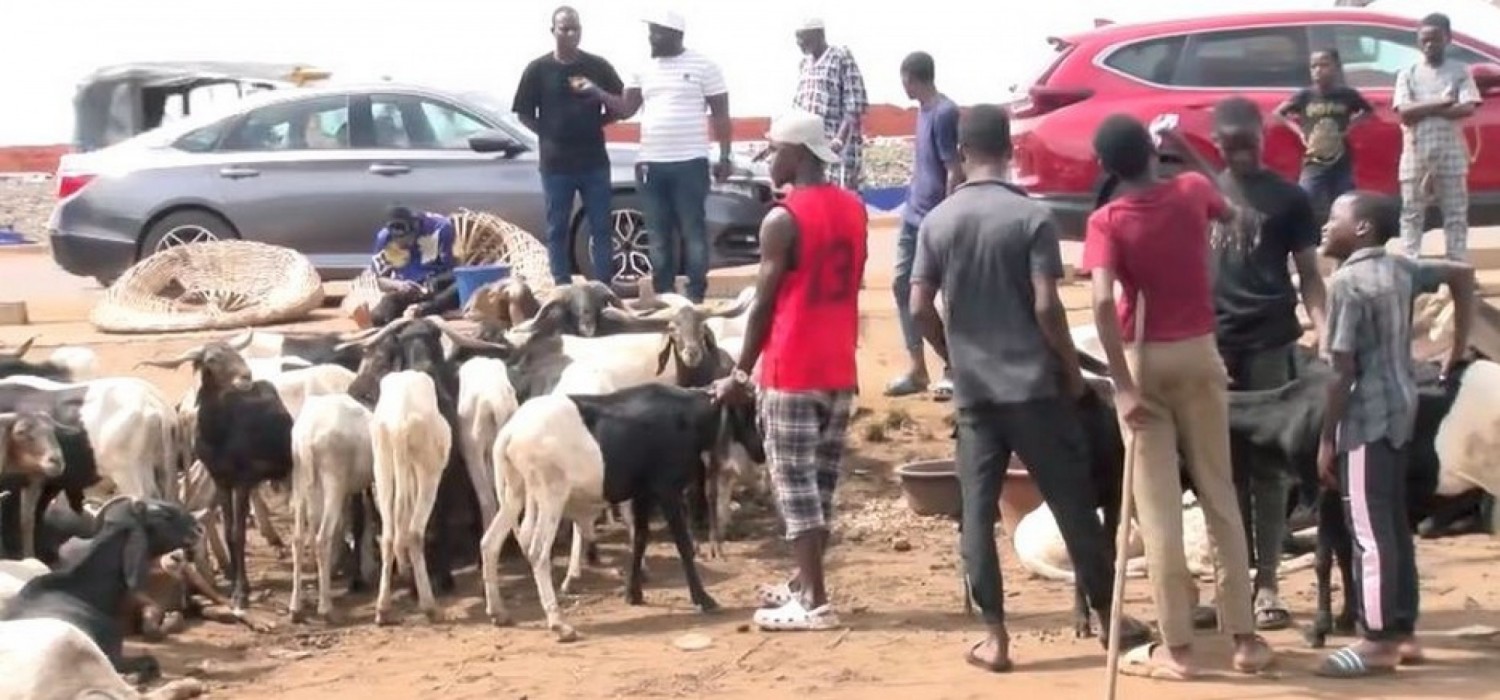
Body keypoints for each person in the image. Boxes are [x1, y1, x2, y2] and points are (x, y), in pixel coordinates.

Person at [908, 104, 1152, 672]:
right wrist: (1070, 372)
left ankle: (995, 638)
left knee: (976, 512)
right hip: (1035, 390)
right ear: (1010, 152)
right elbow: (1046, 305)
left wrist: (953, 357)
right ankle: (1109, 619)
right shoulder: (1031, 218)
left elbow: (920, 307)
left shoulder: (938, 222)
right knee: (1071, 504)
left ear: (962, 154)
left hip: (976, 396)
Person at [1082, 114, 1274, 680]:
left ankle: (1181, 650)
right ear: (1152, 151)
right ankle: (1245, 639)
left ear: (1105, 167)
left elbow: (1097, 303)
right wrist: (1184, 147)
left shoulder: (1106, 219)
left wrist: (1120, 387)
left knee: (1159, 510)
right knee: (1219, 494)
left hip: (1143, 361)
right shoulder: (1192, 190)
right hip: (1198, 353)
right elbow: (1233, 210)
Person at [1177, 97, 1328, 632]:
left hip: (1269, 342)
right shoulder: (1196, 193)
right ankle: (1232, 583)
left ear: (1264, 140)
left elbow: (1309, 273)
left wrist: (1324, 328)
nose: (1241, 154)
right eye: (1230, 145)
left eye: (1250, 144)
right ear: (1216, 143)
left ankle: (1266, 584)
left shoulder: (1289, 199)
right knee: (1219, 470)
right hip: (1210, 345)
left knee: (1269, 470)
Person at [714, 109, 867, 632]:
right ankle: (804, 584)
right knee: (820, 484)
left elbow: (763, 303)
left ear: (797, 154)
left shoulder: (783, 219)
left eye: (774, 150)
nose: (769, 160)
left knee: (794, 485)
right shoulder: (855, 208)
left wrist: (738, 373)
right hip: (839, 365)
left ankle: (815, 602)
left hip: (792, 367)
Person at [1314, 190, 1475, 678]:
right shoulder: (1399, 268)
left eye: (1334, 217)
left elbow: (1342, 372)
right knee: (1392, 525)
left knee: (1367, 531)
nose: (1325, 225)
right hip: (1402, 408)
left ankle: (1378, 640)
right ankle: (1403, 632)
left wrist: (1326, 437)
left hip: (1364, 416)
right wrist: (1458, 346)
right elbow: (1462, 275)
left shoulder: (1346, 283)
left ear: (1361, 228)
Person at [590, 9, 733, 303]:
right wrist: (597, 92)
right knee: (658, 235)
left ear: (675, 35)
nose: (650, 37)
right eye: (650, 31)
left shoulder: (705, 66)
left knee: (692, 231)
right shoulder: (641, 68)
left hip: (690, 162)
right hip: (651, 164)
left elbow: (721, 115)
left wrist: (725, 155)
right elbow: (627, 109)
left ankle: (694, 296)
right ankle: (665, 296)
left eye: (657, 32)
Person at [512, 6, 625, 288]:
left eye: (576, 28)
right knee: (557, 229)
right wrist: (548, 133)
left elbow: (622, 102)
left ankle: (603, 288)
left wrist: (601, 119)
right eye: (565, 28)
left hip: (594, 162)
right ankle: (561, 287)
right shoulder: (538, 70)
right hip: (556, 165)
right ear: (553, 31)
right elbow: (523, 112)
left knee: (600, 227)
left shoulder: (597, 66)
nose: (571, 33)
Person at [887, 51, 962, 401]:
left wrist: (944, 216)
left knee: (945, 295)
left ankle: (953, 367)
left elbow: (953, 169)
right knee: (902, 285)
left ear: (910, 78)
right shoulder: (923, 112)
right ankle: (918, 368)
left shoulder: (945, 113)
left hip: (933, 218)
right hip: (913, 214)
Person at [1395, 12, 1482, 261]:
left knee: (1455, 213)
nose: (1429, 44)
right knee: (1411, 212)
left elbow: (1467, 107)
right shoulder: (1407, 73)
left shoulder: (1460, 72)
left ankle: (1457, 265)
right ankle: (1410, 264)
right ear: (1418, 42)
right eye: (1424, 40)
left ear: (1448, 39)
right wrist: (1443, 102)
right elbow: (1404, 113)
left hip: (1450, 151)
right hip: (1415, 151)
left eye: (1435, 39)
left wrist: (1421, 107)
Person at [1275, 49, 1374, 225]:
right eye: (1314, 66)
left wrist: (1350, 126)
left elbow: (1368, 110)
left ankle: (1343, 240)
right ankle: (1302, 239)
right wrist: (1299, 133)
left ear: (1335, 67)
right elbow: (1279, 113)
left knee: (1345, 202)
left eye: (1324, 65)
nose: (1318, 70)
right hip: (1314, 162)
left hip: (1341, 160)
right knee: (1305, 198)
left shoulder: (1346, 95)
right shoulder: (1305, 96)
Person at [791, 17, 869, 190]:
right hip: (812, 152)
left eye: (801, 36)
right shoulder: (804, 65)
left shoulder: (841, 57)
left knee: (840, 200)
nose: (798, 42)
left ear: (818, 34)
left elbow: (854, 105)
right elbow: (797, 108)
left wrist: (838, 141)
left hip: (837, 149)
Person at [365, 206, 459, 327]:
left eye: (406, 239)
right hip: (406, 290)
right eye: (397, 240)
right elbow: (378, 279)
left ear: (415, 227)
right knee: (380, 314)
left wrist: (433, 283)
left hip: (438, 287)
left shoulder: (441, 228)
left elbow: (452, 270)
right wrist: (399, 285)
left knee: (458, 286)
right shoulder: (384, 238)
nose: (402, 244)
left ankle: (425, 309)